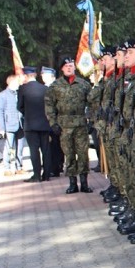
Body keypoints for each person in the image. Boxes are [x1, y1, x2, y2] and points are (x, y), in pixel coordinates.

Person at [45, 57, 92, 193]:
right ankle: (72, 183)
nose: (69, 68)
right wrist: (53, 123)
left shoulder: (83, 84)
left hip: (80, 124)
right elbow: (49, 105)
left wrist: (91, 121)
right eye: (66, 66)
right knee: (69, 154)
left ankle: (84, 182)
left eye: (71, 65)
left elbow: (92, 104)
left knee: (83, 154)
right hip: (64, 125)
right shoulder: (55, 86)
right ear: (62, 69)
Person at [18, 67, 53, 182]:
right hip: (44, 124)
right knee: (46, 149)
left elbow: (19, 106)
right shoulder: (44, 88)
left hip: (31, 124)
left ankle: (37, 175)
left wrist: (27, 113)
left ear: (26, 76)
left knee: (34, 150)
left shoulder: (23, 89)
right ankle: (47, 174)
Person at [0, 75, 26, 175]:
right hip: (9, 125)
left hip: (21, 124)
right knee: (8, 147)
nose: (19, 84)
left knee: (20, 147)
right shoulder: (2, 95)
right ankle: (7, 168)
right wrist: (1, 128)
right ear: (11, 83)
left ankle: (19, 166)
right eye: (17, 82)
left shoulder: (19, 93)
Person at [41, 66, 64, 177]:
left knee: (58, 145)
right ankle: (53, 166)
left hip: (58, 120)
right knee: (51, 146)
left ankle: (58, 165)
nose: (42, 77)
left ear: (51, 76)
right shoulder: (42, 89)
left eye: (44, 75)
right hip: (47, 121)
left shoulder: (57, 88)